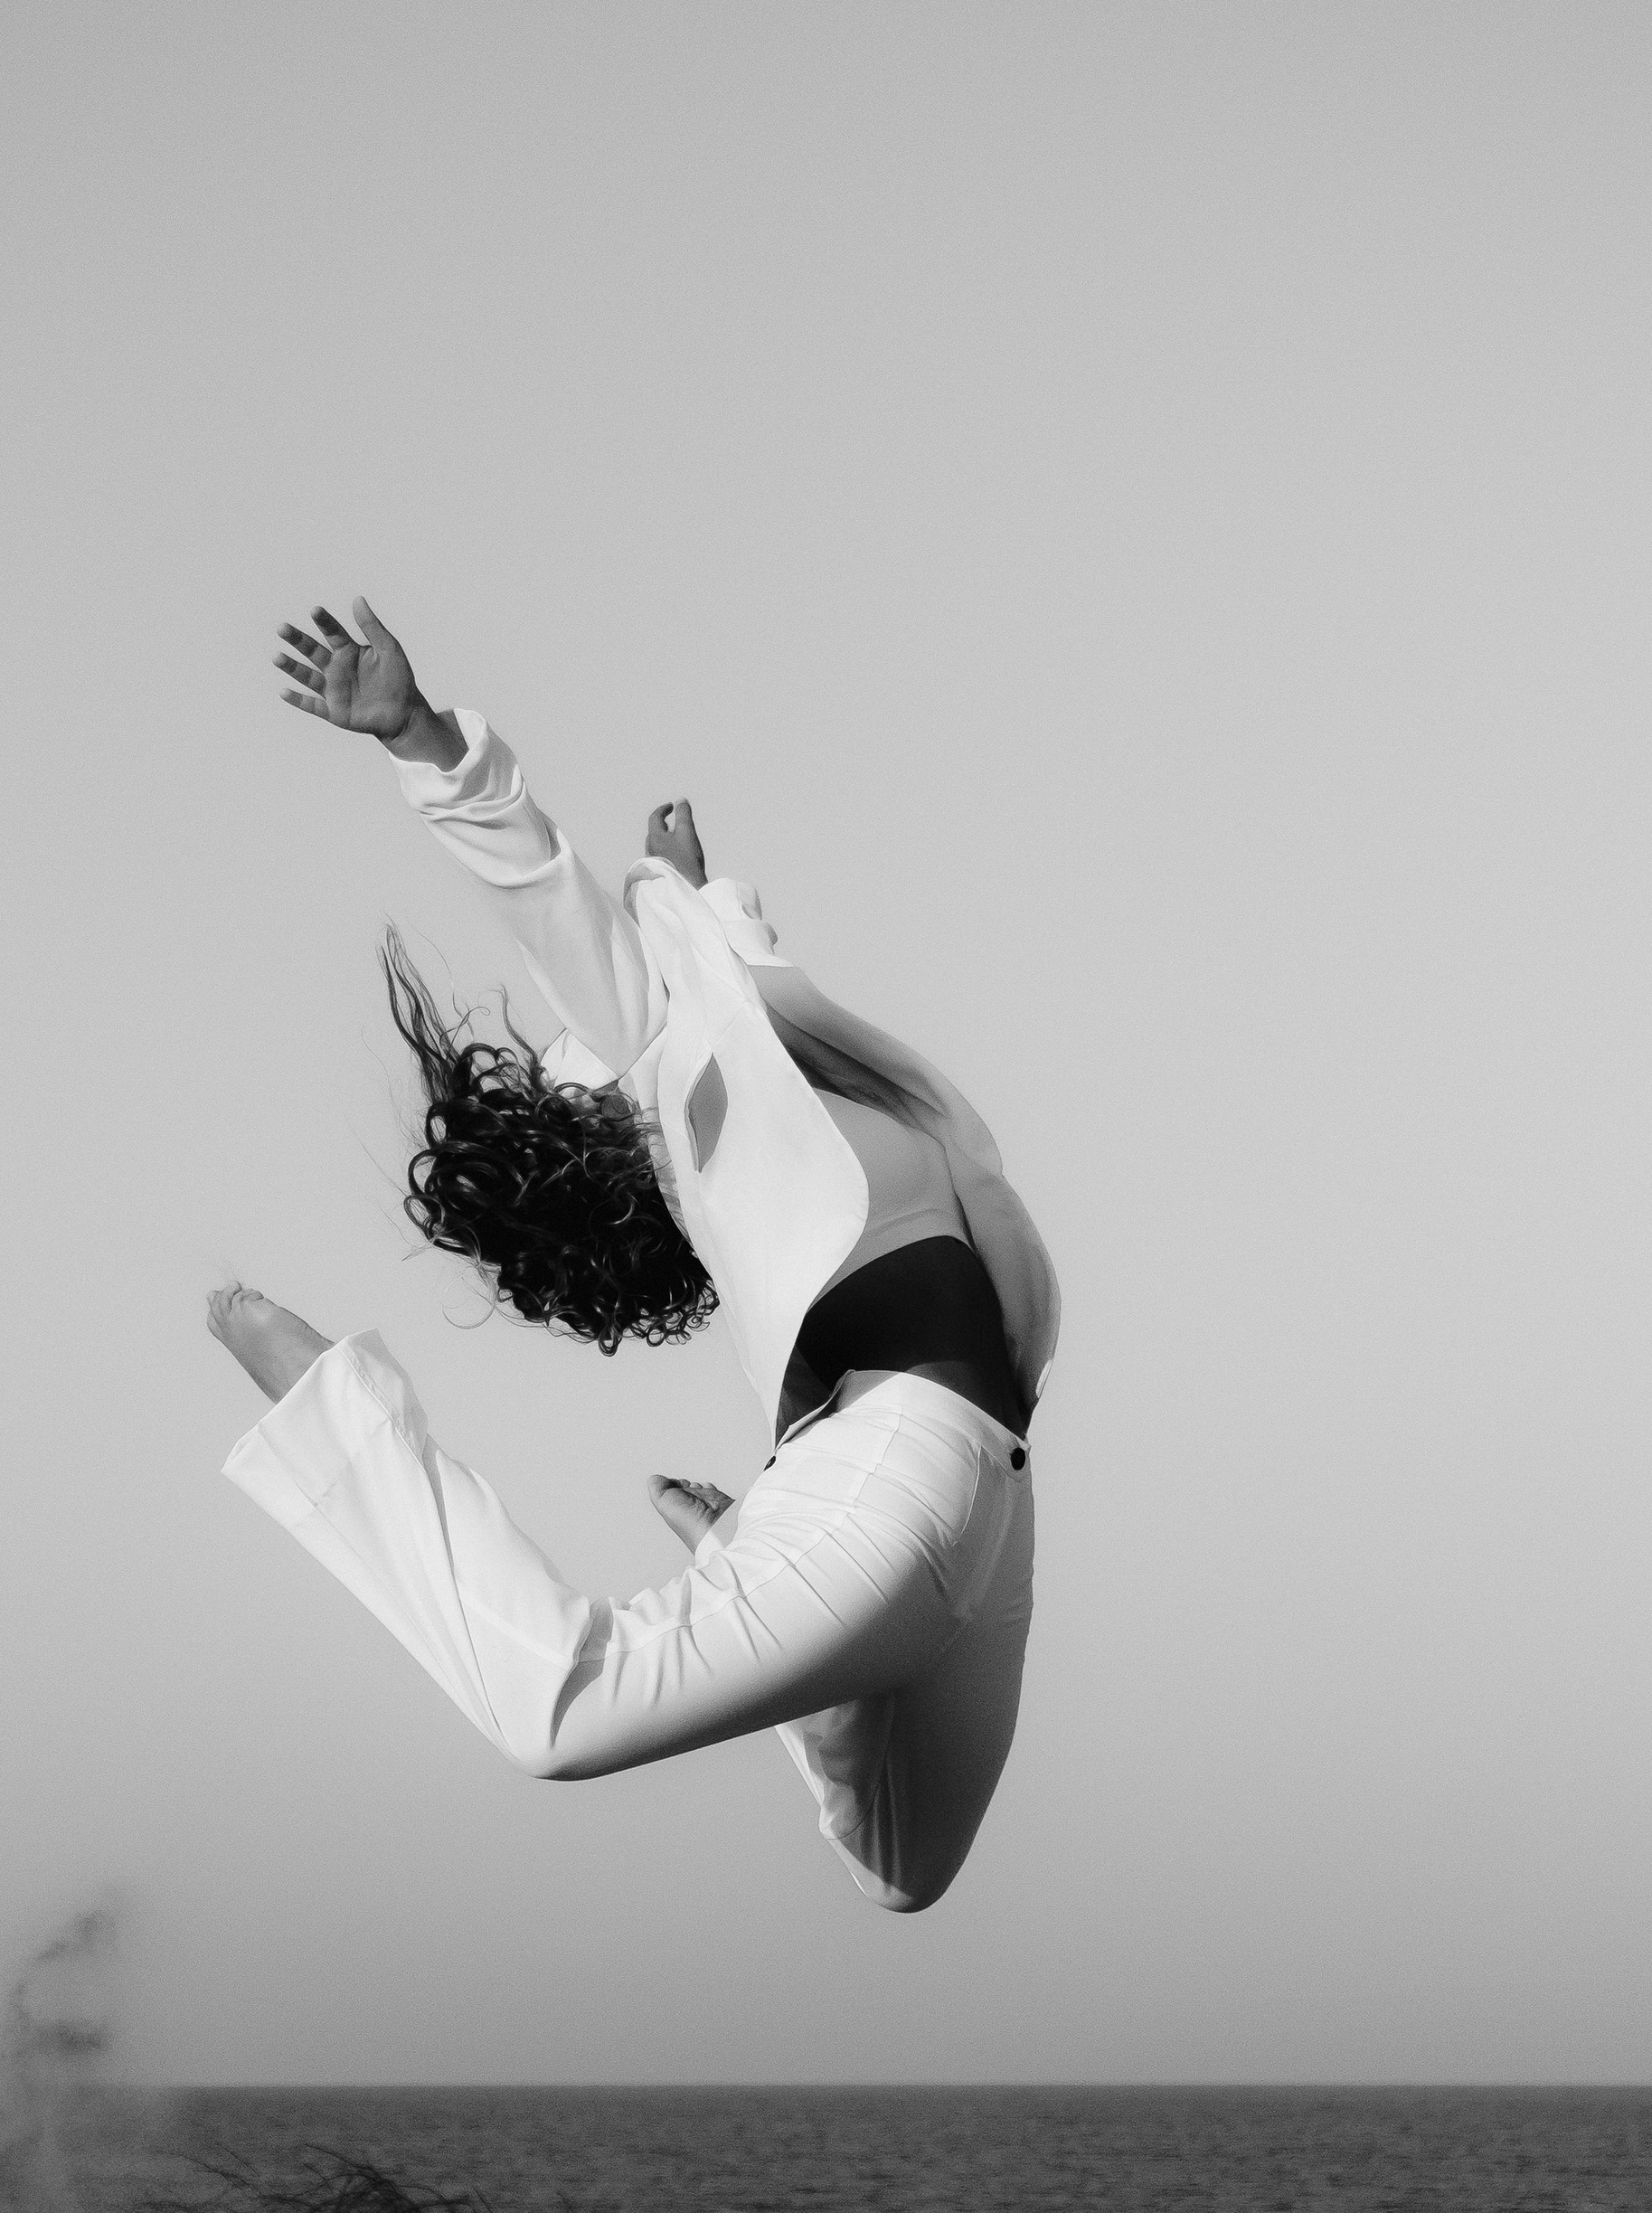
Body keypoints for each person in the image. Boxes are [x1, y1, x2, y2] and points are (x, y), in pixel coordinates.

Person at [208, 600, 1061, 1913]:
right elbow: (547, 895)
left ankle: (751, 1558)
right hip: (904, 1468)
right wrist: (427, 743)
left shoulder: (769, 1060)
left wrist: (698, 891)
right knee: (559, 1715)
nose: (589, 1032)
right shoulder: (678, 1087)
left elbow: (744, 972)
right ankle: (332, 1403)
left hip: (968, 1481)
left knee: (902, 1868)